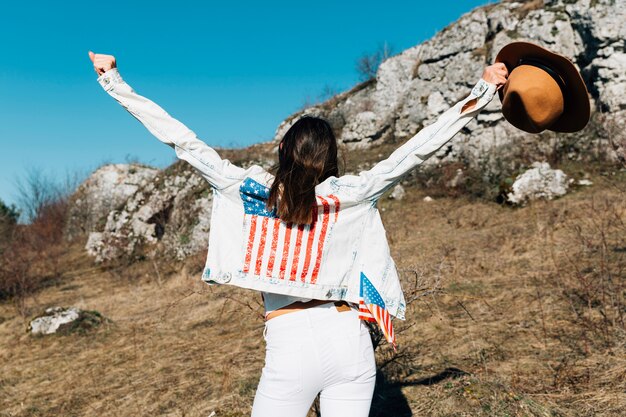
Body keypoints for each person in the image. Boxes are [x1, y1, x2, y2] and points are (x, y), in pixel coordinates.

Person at [89, 51, 508, 416]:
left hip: (291, 341)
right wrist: (483, 91)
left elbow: (183, 141)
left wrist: (114, 81)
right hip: (351, 338)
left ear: (284, 152)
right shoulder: (351, 194)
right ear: (331, 157)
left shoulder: (251, 192)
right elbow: (417, 148)